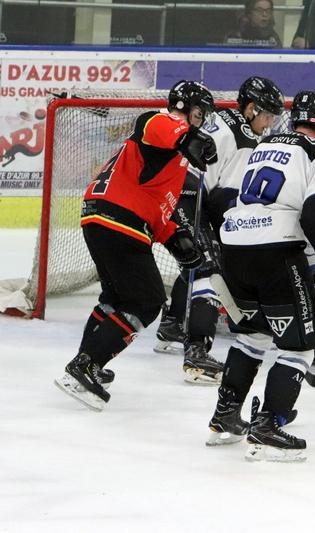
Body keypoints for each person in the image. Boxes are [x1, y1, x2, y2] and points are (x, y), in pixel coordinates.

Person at [54, 80, 218, 411]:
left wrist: (177, 240)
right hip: (121, 220)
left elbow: (157, 205)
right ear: (185, 109)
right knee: (148, 301)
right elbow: (153, 124)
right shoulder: (164, 123)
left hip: (101, 217)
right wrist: (188, 136)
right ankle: (85, 366)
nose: (201, 121)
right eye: (199, 114)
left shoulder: (173, 157)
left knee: (114, 299)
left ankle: (88, 360)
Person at [206, 90, 315, 462]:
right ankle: (268, 426)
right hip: (276, 253)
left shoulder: (264, 146)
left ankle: (225, 417)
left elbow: (224, 196)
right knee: (298, 348)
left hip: (235, 248)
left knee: (252, 336)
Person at [153, 77, 286, 385]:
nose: (269, 123)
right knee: (210, 269)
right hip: (186, 194)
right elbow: (223, 198)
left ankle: (173, 324)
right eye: (267, 114)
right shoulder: (245, 140)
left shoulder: (225, 120)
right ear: (251, 109)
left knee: (198, 259)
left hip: (172, 191)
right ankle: (197, 351)